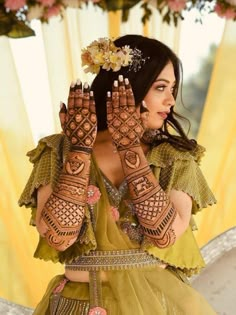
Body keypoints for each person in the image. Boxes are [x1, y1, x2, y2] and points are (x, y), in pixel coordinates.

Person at [19, 34, 217, 315]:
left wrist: (130, 149)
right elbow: (58, 237)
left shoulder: (174, 157)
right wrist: (79, 150)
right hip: (76, 305)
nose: (171, 100)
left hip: (154, 305)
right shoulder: (59, 150)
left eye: (173, 89)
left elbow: (165, 236)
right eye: (161, 88)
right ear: (127, 88)